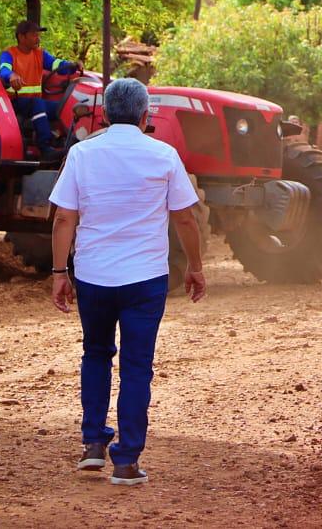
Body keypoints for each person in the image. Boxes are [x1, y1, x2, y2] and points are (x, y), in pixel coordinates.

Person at [49, 78, 207, 486]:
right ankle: (127, 462)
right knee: (137, 367)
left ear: (103, 114)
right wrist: (195, 266)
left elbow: (65, 218)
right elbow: (185, 217)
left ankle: (93, 446)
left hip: (94, 276)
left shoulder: (82, 154)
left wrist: (58, 274)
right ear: (145, 115)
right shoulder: (163, 155)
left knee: (96, 355)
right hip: (145, 279)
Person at [0, 20, 83, 161]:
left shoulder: (39, 54)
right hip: (15, 102)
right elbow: (3, 69)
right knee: (37, 103)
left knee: (66, 106)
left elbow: (56, 64)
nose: (38, 38)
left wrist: (72, 66)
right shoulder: (9, 54)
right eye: (34, 35)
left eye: (38, 35)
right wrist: (11, 75)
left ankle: (70, 143)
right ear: (21, 37)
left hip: (36, 103)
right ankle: (45, 147)